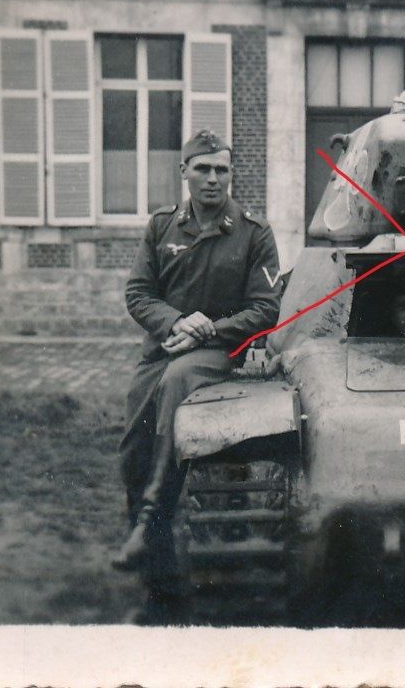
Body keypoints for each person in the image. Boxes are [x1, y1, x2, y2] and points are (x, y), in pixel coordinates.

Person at [111, 129, 283, 624]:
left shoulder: (253, 233)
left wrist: (210, 330)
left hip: (220, 354)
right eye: (203, 168)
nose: (212, 178)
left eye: (221, 170)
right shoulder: (162, 227)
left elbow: (265, 309)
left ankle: (149, 519)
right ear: (183, 171)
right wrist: (177, 323)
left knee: (178, 383)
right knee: (134, 449)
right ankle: (159, 586)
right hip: (163, 352)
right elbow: (138, 294)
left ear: (231, 175)